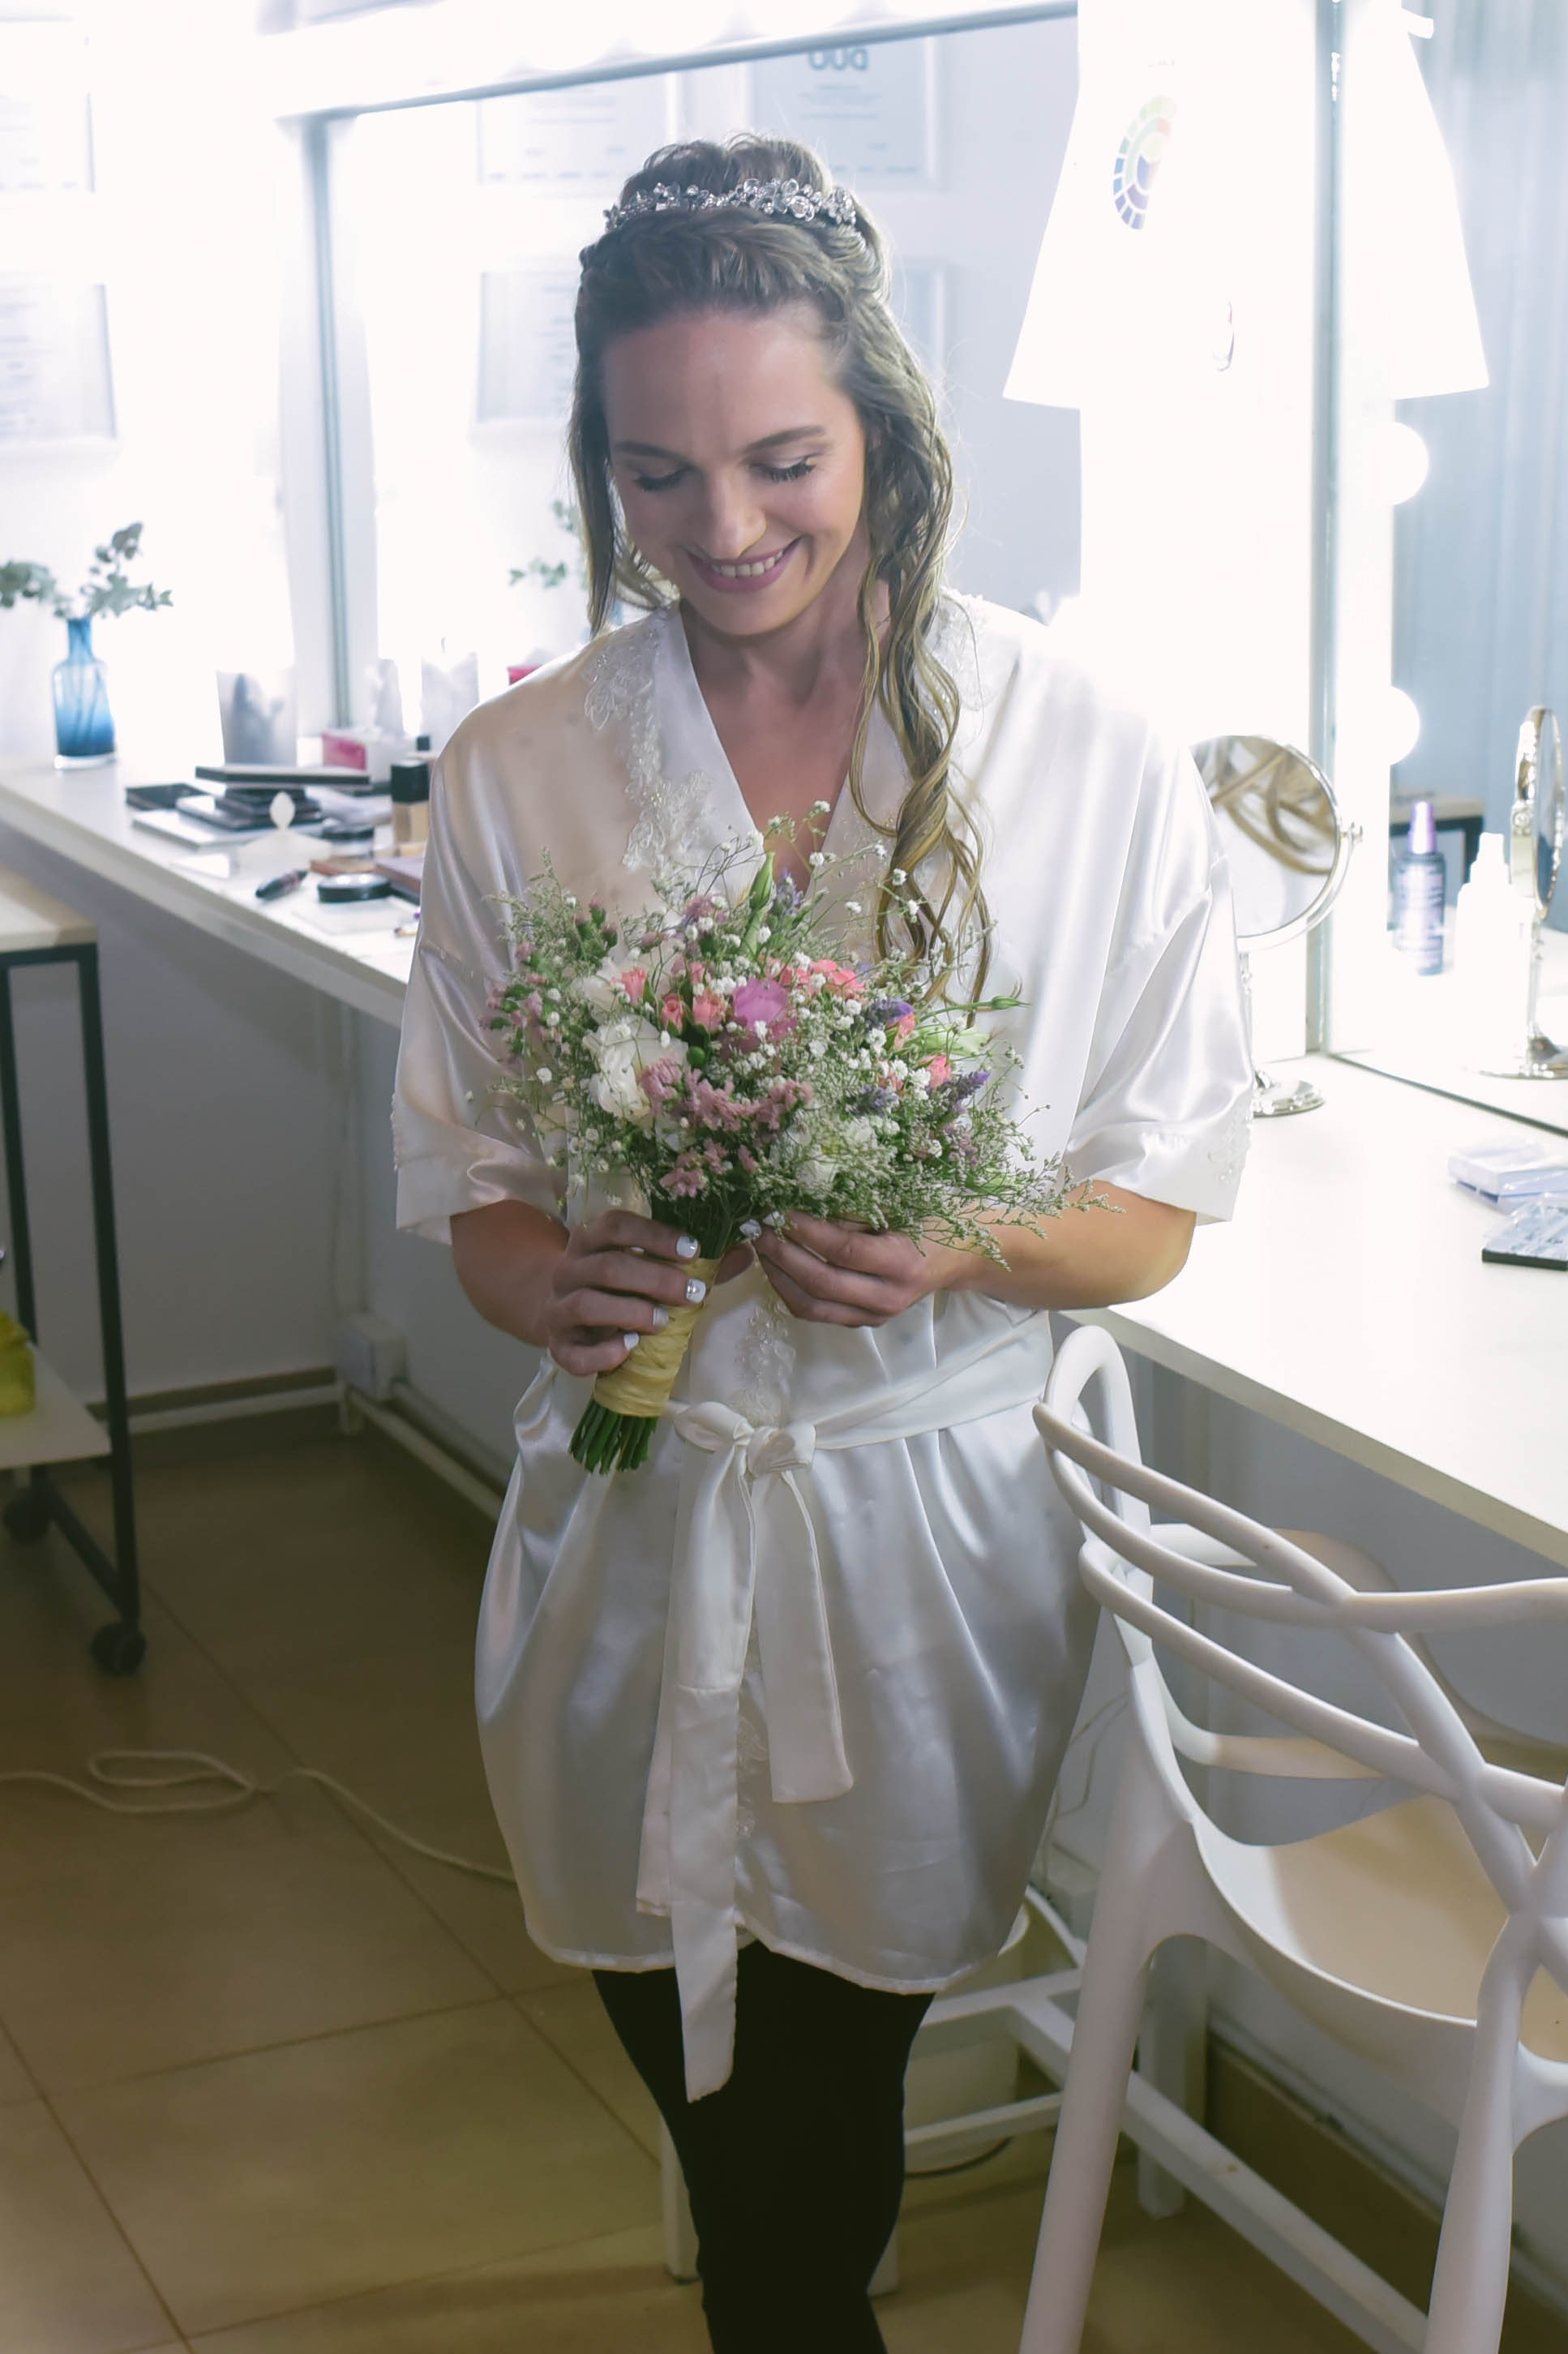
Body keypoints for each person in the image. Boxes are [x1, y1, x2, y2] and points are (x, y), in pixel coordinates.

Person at [392, 135, 1253, 2354]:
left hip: (916, 1541)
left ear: (883, 424)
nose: (722, 531)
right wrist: (533, 1283)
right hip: (633, 1515)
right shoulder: (523, 769)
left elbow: (1155, 1209)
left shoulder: (1080, 755)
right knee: (643, 1989)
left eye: (781, 459)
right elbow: (475, 1184)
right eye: (655, 475)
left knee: (819, 2088)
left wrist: (962, 1244)